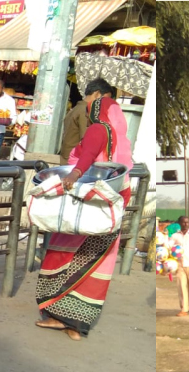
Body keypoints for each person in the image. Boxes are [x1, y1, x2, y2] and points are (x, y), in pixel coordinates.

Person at [35, 78, 133, 338]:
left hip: (89, 202)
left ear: (97, 100)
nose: (86, 107)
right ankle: (77, 325)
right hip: (113, 203)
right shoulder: (121, 135)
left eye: (89, 101)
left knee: (64, 251)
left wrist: (74, 174)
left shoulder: (99, 129)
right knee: (97, 262)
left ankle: (58, 315)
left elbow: (88, 154)